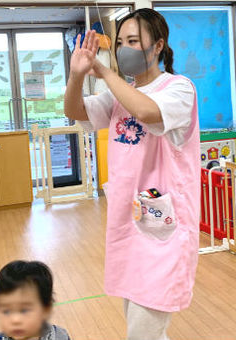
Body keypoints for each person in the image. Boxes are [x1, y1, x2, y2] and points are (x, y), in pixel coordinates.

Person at [64, 8, 200, 340]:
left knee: (143, 332)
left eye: (134, 41)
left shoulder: (179, 88)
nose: (125, 48)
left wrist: (104, 70)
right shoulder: (116, 93)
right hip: (130, 220)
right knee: (140, 323)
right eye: (121, 41)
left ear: (157, 47)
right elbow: (75, 111)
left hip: (164, 224)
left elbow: (146, 110)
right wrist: (77, 75)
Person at [0, 261, 71, 340]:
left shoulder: (60, 336)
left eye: (24, 310)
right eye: (6, 311)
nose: (15, 320)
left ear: (46, 309)